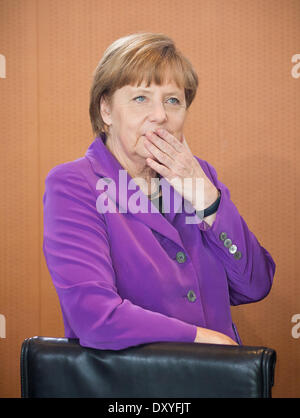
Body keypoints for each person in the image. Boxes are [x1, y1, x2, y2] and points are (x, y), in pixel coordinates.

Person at [43, 32, 276, 350]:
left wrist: (206, 197)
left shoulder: (199, 176)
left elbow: (254, 285)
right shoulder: (74, 184)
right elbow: (94, 318)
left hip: (217, 384)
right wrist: (200, 338)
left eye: (173, 100)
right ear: (107, 110)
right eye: (141, 98)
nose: (160, 116)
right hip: (136, 388)